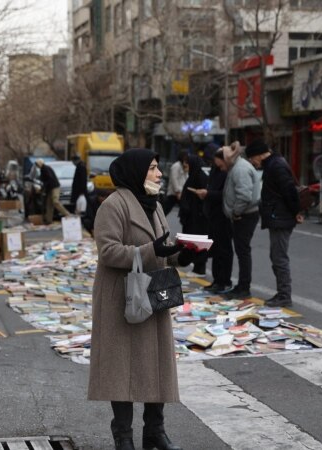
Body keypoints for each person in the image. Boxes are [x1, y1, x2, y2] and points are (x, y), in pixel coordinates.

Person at [88, 148, 195, 450]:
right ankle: (123, 436)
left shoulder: (155, 205)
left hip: (154, 295)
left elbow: (165, 245)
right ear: (136, 171)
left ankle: (155, 432)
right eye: (152, 168)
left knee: (155, 364)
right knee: (120, 368)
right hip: (122, 298)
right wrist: (151, 251)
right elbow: (108, 252)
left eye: (157, 167)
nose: (159, 174)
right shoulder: (114, 205)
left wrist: (183, 252)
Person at [244, 139, 303, 308]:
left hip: (281, 218)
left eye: (252, 159)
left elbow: (289, 191)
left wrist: (296, 211)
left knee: (279, 258)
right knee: (276, 256)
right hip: (279, 216)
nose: (253, 163)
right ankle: (282, 293)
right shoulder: (274, 164)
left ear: (258, 155)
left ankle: (284, 295)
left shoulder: (276, 165)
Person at [222, 141, 261, 300]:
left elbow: (244, 195)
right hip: (244, 214)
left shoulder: (240, 169)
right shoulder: (239, 167)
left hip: (244, 215)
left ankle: (244, 286)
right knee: (242, 251)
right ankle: (243, 285)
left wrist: (235, 212)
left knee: (243, 251)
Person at [199, 148, 233, 293]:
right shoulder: (215, 170)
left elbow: (225, 194)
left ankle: (224, 280)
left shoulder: (227, 172)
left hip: (223, 215)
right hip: (212, 214)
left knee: (223, 250)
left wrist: (208, 194)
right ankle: (216, 280)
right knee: (215, 249)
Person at [178, 155, 209, 275]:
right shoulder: (194, 175)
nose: (185, 167)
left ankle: (199, 268)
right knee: (193, 242)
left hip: (198, 217)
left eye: (187, 164)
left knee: (198, 242)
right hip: (193, 216)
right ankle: (197, 267)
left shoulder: (200, 176)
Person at [36, 158, 71, 223]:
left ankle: (67, 214)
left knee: (55, 201)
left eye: (37, 164)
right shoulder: (43, 170)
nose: (37, 166)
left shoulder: (46, 169)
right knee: (49, 204)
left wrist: (43, 189)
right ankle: (48, 220)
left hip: (54, 187)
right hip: (50, 188)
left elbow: (49, 180)